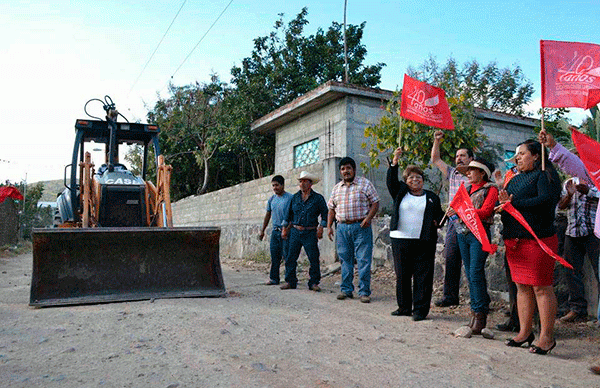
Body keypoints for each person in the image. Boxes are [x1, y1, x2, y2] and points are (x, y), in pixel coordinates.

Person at [500, 139, 562, 355]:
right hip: (515, 241)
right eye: (516, 154)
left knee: (541, 287)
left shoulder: (545, 175)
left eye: (522, 153)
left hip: (538, 240)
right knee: (521, 286)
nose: (517, 157)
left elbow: (545, 201)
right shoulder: (515, 179)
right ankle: (525, 332)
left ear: (536, 156)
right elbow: (510, 203)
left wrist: (512, 203)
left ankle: (547, 337)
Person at [538, 130, 600, 323]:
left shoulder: (596, 177)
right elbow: (561, 206)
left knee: (599, 270)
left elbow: (597, 194)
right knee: (571, 270)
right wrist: (570, 195)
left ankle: (597, 312)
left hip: (593, 231)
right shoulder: (568, 183)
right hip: (573, 230)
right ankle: (577, 309)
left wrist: (587, 190)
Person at [387, 147, 444, 321]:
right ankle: (404, 307)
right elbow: (390, 181)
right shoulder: (400, 192)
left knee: (423, 276)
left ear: (423, 180)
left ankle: (420, 310)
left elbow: (440, 216)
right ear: (406, 180)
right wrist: (395, 161)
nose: (415, 179)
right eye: (411, 177)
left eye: (418, 177)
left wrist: (438, 221)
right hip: (401, 240)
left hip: (424, 241)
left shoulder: (432, 197)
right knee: (402, 276)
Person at [453, 158, 499, 334]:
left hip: (479, 234)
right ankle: (474, 311)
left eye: (473, 170)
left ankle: (480, 313)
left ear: (482, 173)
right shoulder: (466, 189)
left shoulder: (491, 189)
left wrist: (464, 212)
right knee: (469, 273)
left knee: (475, 272)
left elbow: (487, 211)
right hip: (464, 233)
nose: (469, 173)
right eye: (468, 170)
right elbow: (457, 207)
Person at [327, 157, 380, 303]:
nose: (346, 171)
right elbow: (331, 209)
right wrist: (329, 227)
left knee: (363, 260)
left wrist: (368, 219)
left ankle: (364, 292)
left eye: (348, 168)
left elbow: (375, 203)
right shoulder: (337, 188)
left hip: (361, 227)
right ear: (340, 172)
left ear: (354, 170)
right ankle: (346, 290)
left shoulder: (365, 184)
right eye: (343, 169)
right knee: (345, 260)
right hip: (342, 227)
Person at [430, 130, 473, 307]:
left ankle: (477, 300)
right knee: (451, 257)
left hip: (472, 221)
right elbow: (435, 159)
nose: (459, 158)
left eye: (463, 155)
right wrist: (437, 142)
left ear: (471, 158)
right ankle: (450, 296)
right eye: (457, 156)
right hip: (454, 222)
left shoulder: (477, 174)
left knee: (472, 262)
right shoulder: (452, 173)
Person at [280, 171, 328, 291]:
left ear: (310, 183)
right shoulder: (294, 198)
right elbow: (288, 215)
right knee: (290, 257)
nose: (302, 184)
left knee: (313, 257)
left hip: (310, 232)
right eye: (300, 181)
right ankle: (290, 281)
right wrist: (284, 229)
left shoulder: (318, 198)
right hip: (295, 231)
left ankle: (314, 282)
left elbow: (325, 214)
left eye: (305, 181)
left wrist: (321, 228)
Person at [493, 163, 521, 332]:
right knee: (512, 283)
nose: (518, 160)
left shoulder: (539, 178)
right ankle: (515, 319)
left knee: (530, 286)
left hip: (528, 237)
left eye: (522, 155)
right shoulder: (510, 178)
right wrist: (500, 186)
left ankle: (530, 324)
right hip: (511, 237)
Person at [259, 175, 293, 285]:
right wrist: (262, 230)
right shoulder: (272, 199)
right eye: (273, 186)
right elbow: (268, 215)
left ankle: (289, 280)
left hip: (287, 232)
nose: (275, 188)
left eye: (277, 185)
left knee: (288, 256)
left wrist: (287, 229)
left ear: (283, 185)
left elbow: (294, 216)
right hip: (275, 231)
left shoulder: (290, 198)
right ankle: (274, 278)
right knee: (275, 256)